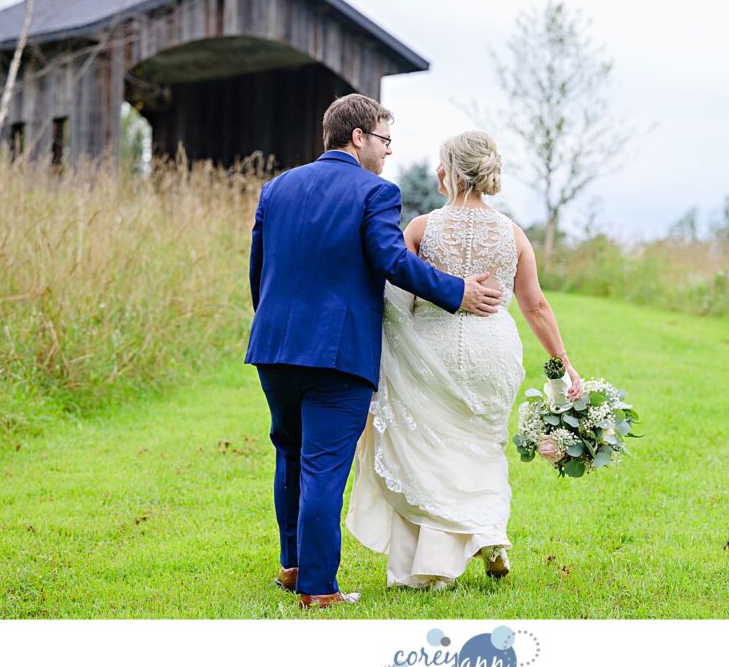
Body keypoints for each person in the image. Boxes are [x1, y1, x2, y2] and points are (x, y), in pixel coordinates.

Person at [245, 96, 503, 609]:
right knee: (323, 467)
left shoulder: (276, 188)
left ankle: (294, 565)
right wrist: (457, 291)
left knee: (291, 454)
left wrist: (274, 326)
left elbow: (259, 269)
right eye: (385, 140)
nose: (388, 153)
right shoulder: (376, 192)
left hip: (274, 347)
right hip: (337, 354)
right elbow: (391, 260)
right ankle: (319, 589)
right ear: (358, 137)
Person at [346, 130, 583, 590]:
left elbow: (395, 300)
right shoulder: (513, 234)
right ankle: (490, 537)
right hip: (491, 354)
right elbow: (535, 306)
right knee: (480, 448)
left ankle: (430, 568)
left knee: (430, 453)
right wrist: (563, 363)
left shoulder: (420, 228)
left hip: (430, 351)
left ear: (450, 171)